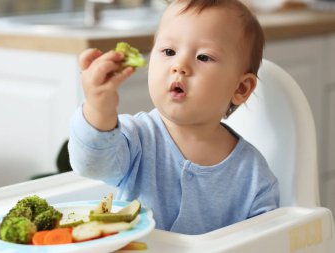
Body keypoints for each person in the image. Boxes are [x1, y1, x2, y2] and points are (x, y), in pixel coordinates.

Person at [68, 0, 279, 235]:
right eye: (169, 52)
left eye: (204, 57)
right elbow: (91, 164)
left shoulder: (252, 174)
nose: (180, 65)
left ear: (240, 89)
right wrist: (98, 108)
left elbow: (267, 239)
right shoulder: (135, 138)